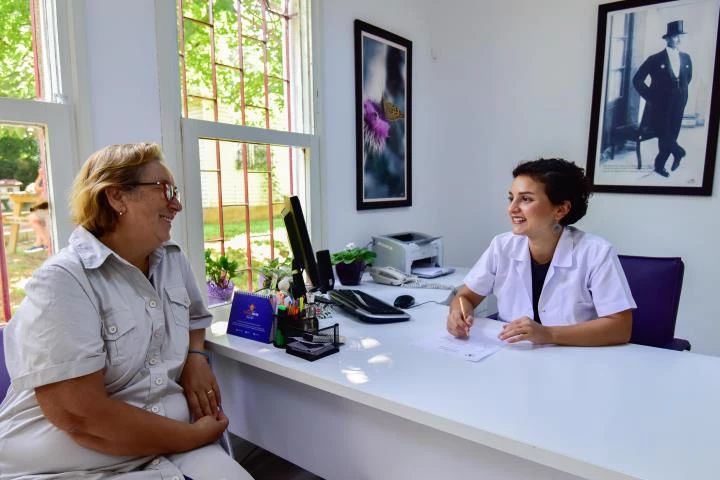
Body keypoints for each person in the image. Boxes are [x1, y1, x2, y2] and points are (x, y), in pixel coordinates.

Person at [0, 143, 253, 479]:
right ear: (117, 197)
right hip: (69, 465)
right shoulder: (62, 281)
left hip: (166, 446)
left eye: (175, 192)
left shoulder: (172, 259)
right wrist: (193, 436)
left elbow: (194, 317)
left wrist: (195, 356)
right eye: (164, 190)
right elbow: (83, 419)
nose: (177, 204)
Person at [446, 158, 635, 346]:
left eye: (526, 199)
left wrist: (548, 334)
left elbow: (620, 328)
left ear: (561, 210)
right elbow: (465, 297)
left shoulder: (596, 252)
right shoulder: (502, 246)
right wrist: (457, 313)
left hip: (574, 356)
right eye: (511, 198)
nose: (512, 208)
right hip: (511, 354)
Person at [632, 20, 693, 177]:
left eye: (680, 36)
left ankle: (661, 164)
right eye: (675, 36)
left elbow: (687, 79)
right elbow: (637, 79)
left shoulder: (686, 58)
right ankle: (678, 152)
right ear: (667, 38)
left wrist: (681, 93)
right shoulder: (655, 59)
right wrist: (651, 97)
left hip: (679, 102)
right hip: (660, 103)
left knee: (673, 133)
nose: (679, 39)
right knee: (664, 132)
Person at [24, 163, 52, 254]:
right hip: (45, 205)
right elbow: (37, 189)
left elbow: (37, 189)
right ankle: (39, 242)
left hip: (49, 205)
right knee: (32, 215)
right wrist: (40, 175)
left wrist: (40, 175)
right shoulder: (45, 179)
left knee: (32, 218)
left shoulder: (49, 176)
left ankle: (45, 243)